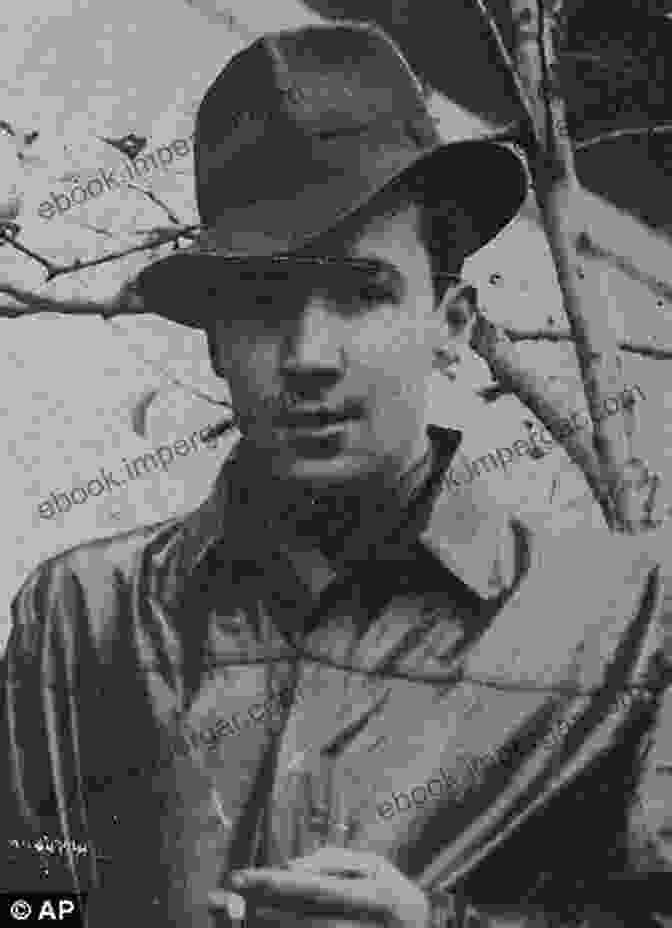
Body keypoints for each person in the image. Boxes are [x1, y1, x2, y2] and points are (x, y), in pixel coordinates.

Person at [1, 21, 670, 928]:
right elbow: (30, 909)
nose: (310, 355)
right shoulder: (83, 619)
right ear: (214, 343)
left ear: (455, 322)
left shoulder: (622, 625)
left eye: (362, 291)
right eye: (265, 299)